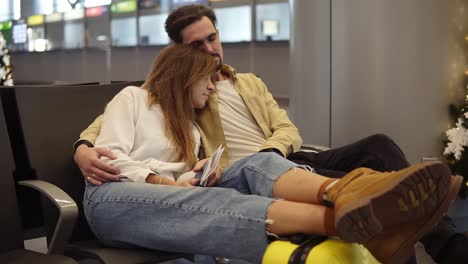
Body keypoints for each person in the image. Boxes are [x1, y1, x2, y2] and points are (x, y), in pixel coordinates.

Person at [73, 4, 468, 263]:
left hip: (282, 160)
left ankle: (432, 236)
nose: (211, 51)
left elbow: (286, 127)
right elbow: (105, 134)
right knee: (378, 196)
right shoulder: (150, 99)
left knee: (378, 146)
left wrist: (271, 150)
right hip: (241, 173)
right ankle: (384, 221)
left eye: (213, 38)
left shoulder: (244, 84)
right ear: (181, 56)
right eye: (198, 45)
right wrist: (83, 148)